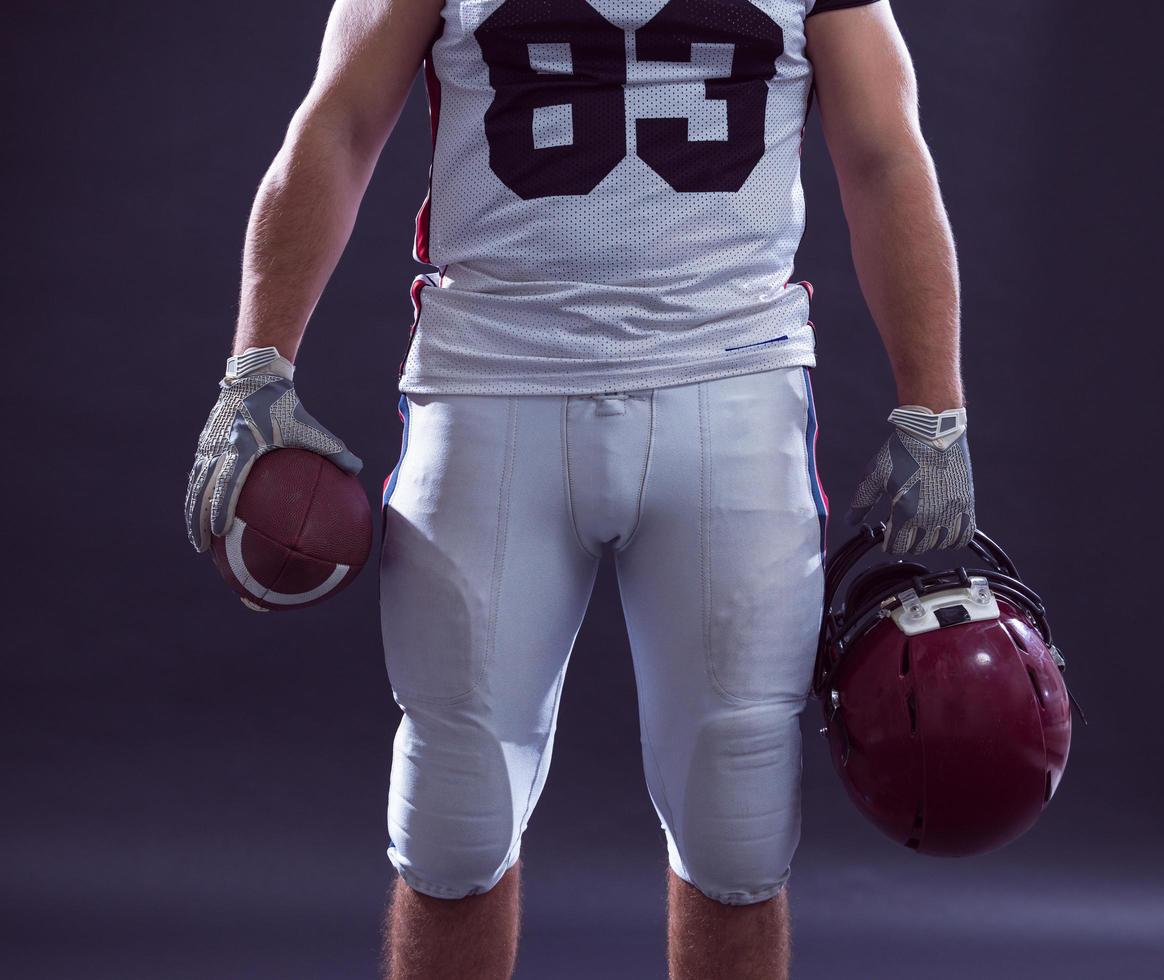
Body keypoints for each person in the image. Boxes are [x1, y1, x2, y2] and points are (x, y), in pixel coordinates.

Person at [184, 0, 976, 976]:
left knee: (736, 826)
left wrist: (932, 401)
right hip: (490, 390)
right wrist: (254, 364)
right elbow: (339, 119)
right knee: (453, 820)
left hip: (725, 389)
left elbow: (882, 152)